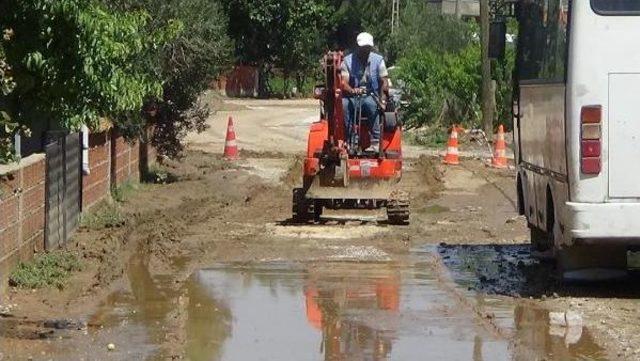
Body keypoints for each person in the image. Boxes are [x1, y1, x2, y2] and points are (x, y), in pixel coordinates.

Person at [341, 32, 390, 152]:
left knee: (372, 104)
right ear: (358, 47)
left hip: (371, 95)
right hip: (352, 96)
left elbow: (384, 82)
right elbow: (343, 82)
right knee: (344, 105)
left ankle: (375, 141)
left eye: (367, 48)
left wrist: (383, 101)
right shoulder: (347, 61)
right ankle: (350, 140)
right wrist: (352, 90)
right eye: (363, 48)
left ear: (371, 48)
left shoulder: (378, 61)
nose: (365, 50)